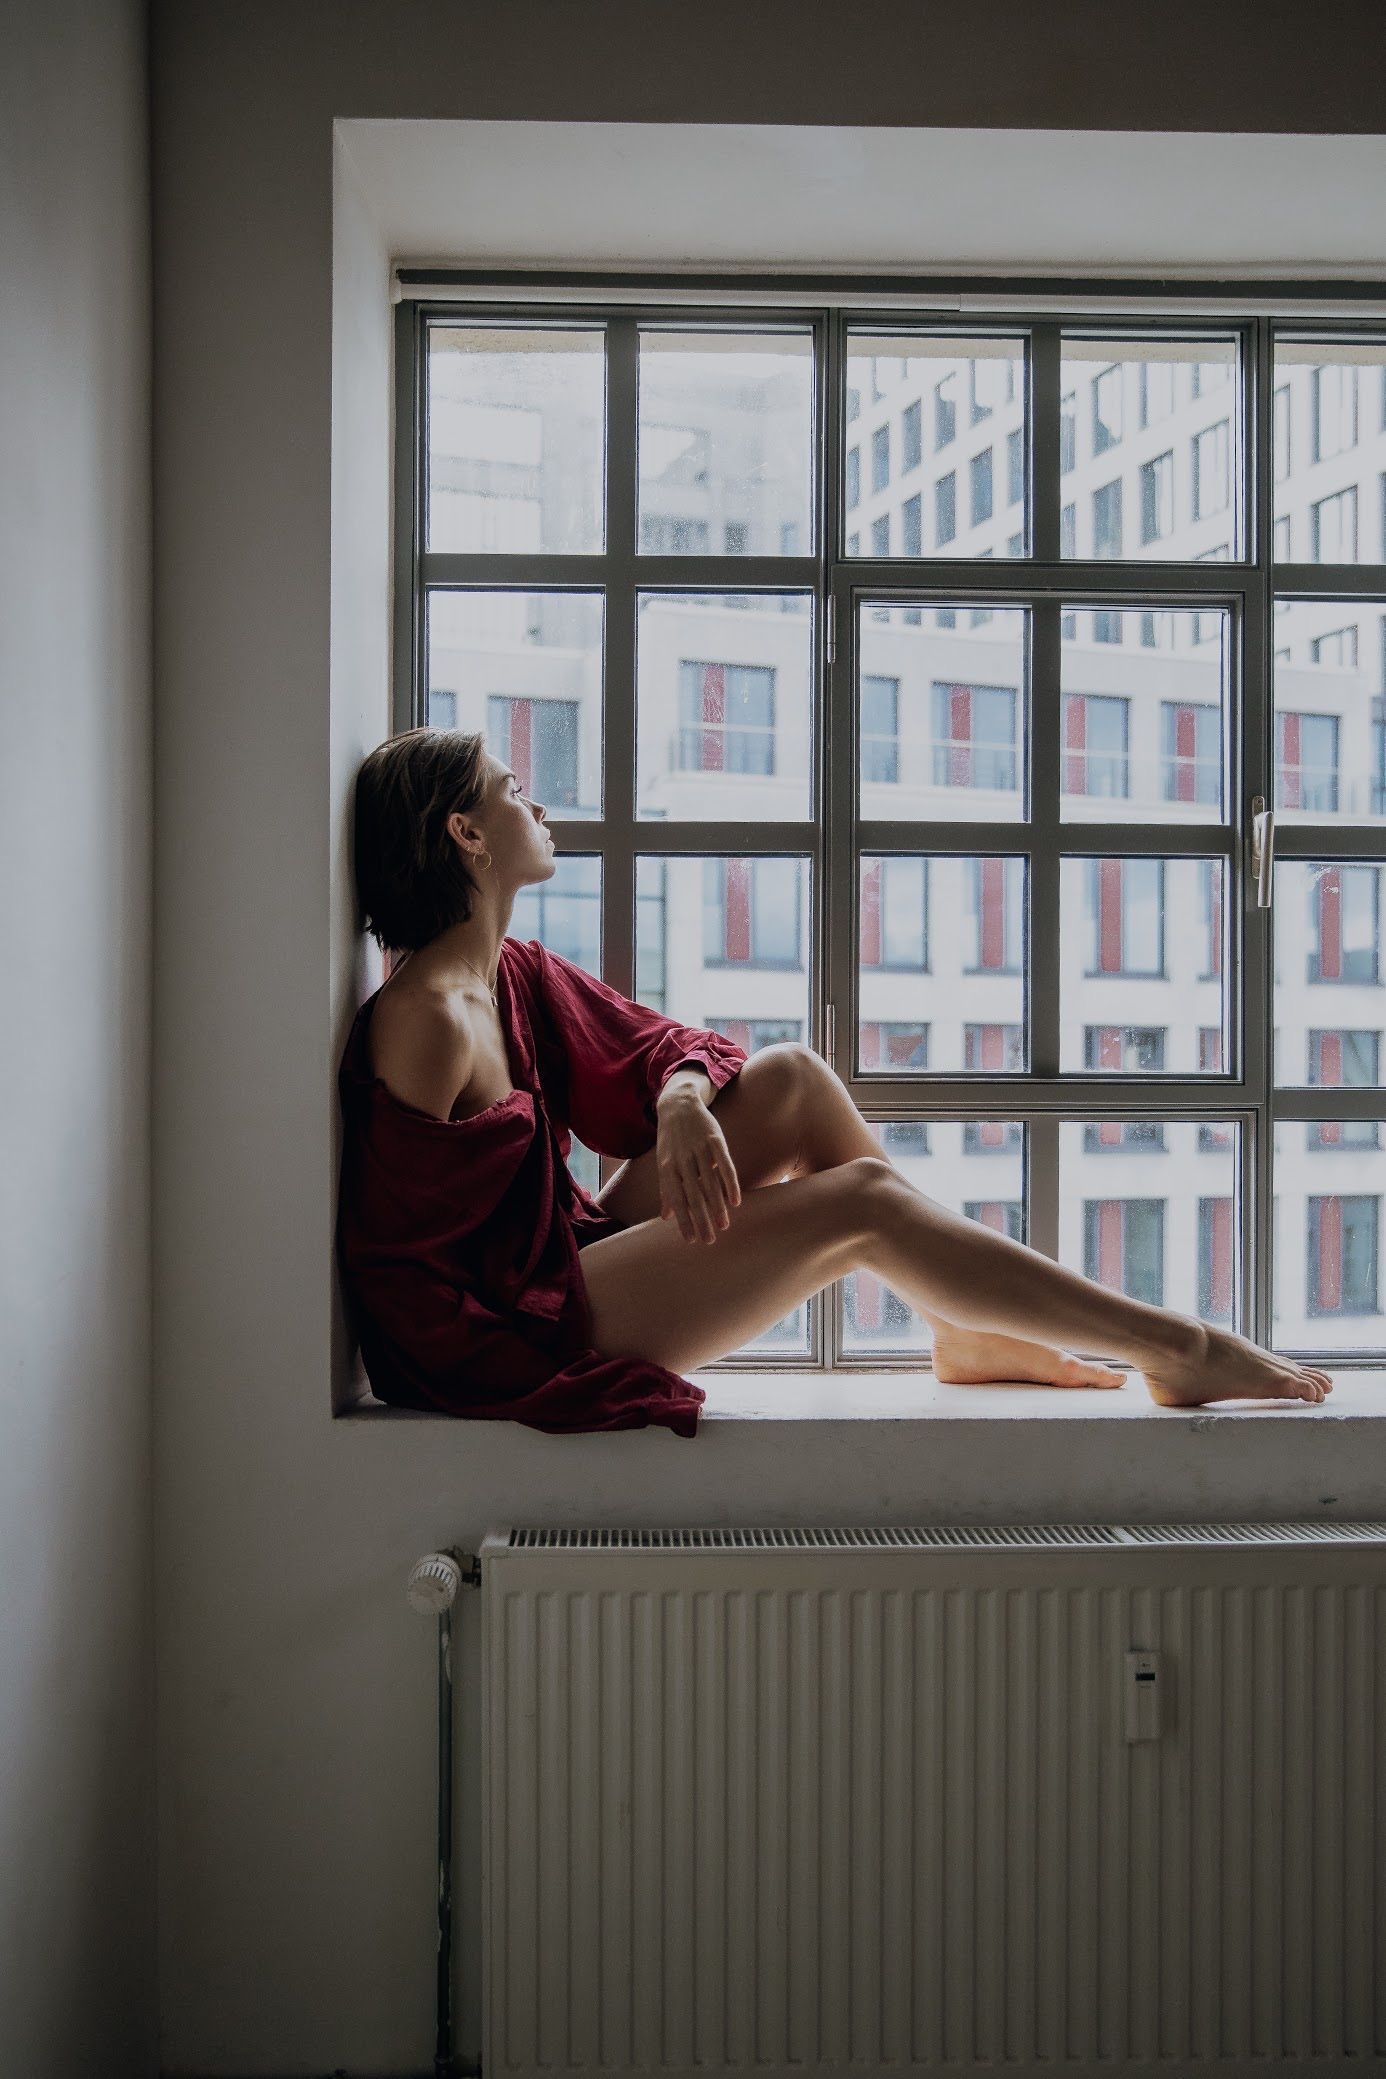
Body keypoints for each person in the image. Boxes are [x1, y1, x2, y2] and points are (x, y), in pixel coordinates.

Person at [336, 726, 1333, 1438]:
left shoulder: (511, 972)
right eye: (512, 789)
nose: (538, 805)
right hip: (524, 1332)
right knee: (860, 1204)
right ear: (466, 834)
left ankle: (958, 1331)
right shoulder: (426, 1020)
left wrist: (680, 1098)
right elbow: (399, 1275)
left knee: (791, 1079)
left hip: (558, 1262)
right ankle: (1178, 1346)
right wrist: (517, 1377)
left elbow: (662, 1048)